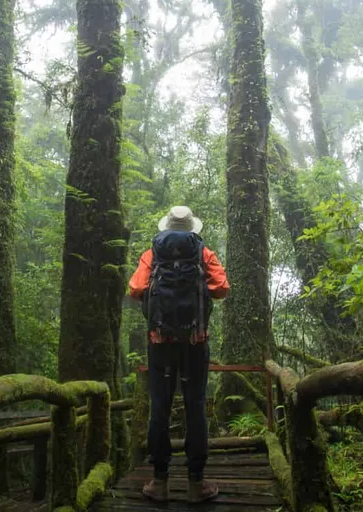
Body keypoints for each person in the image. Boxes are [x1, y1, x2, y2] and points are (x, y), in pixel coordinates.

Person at [128, 205, 230, 503]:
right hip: (195, 343)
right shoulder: (203, 253)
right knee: (195, 407)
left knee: (159, 408)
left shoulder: (152, 255)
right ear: (191, 228)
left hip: (160, 343)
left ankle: (160, 482)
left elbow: (135, 289)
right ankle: (196, 484)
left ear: (167, 227)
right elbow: (222, 289)